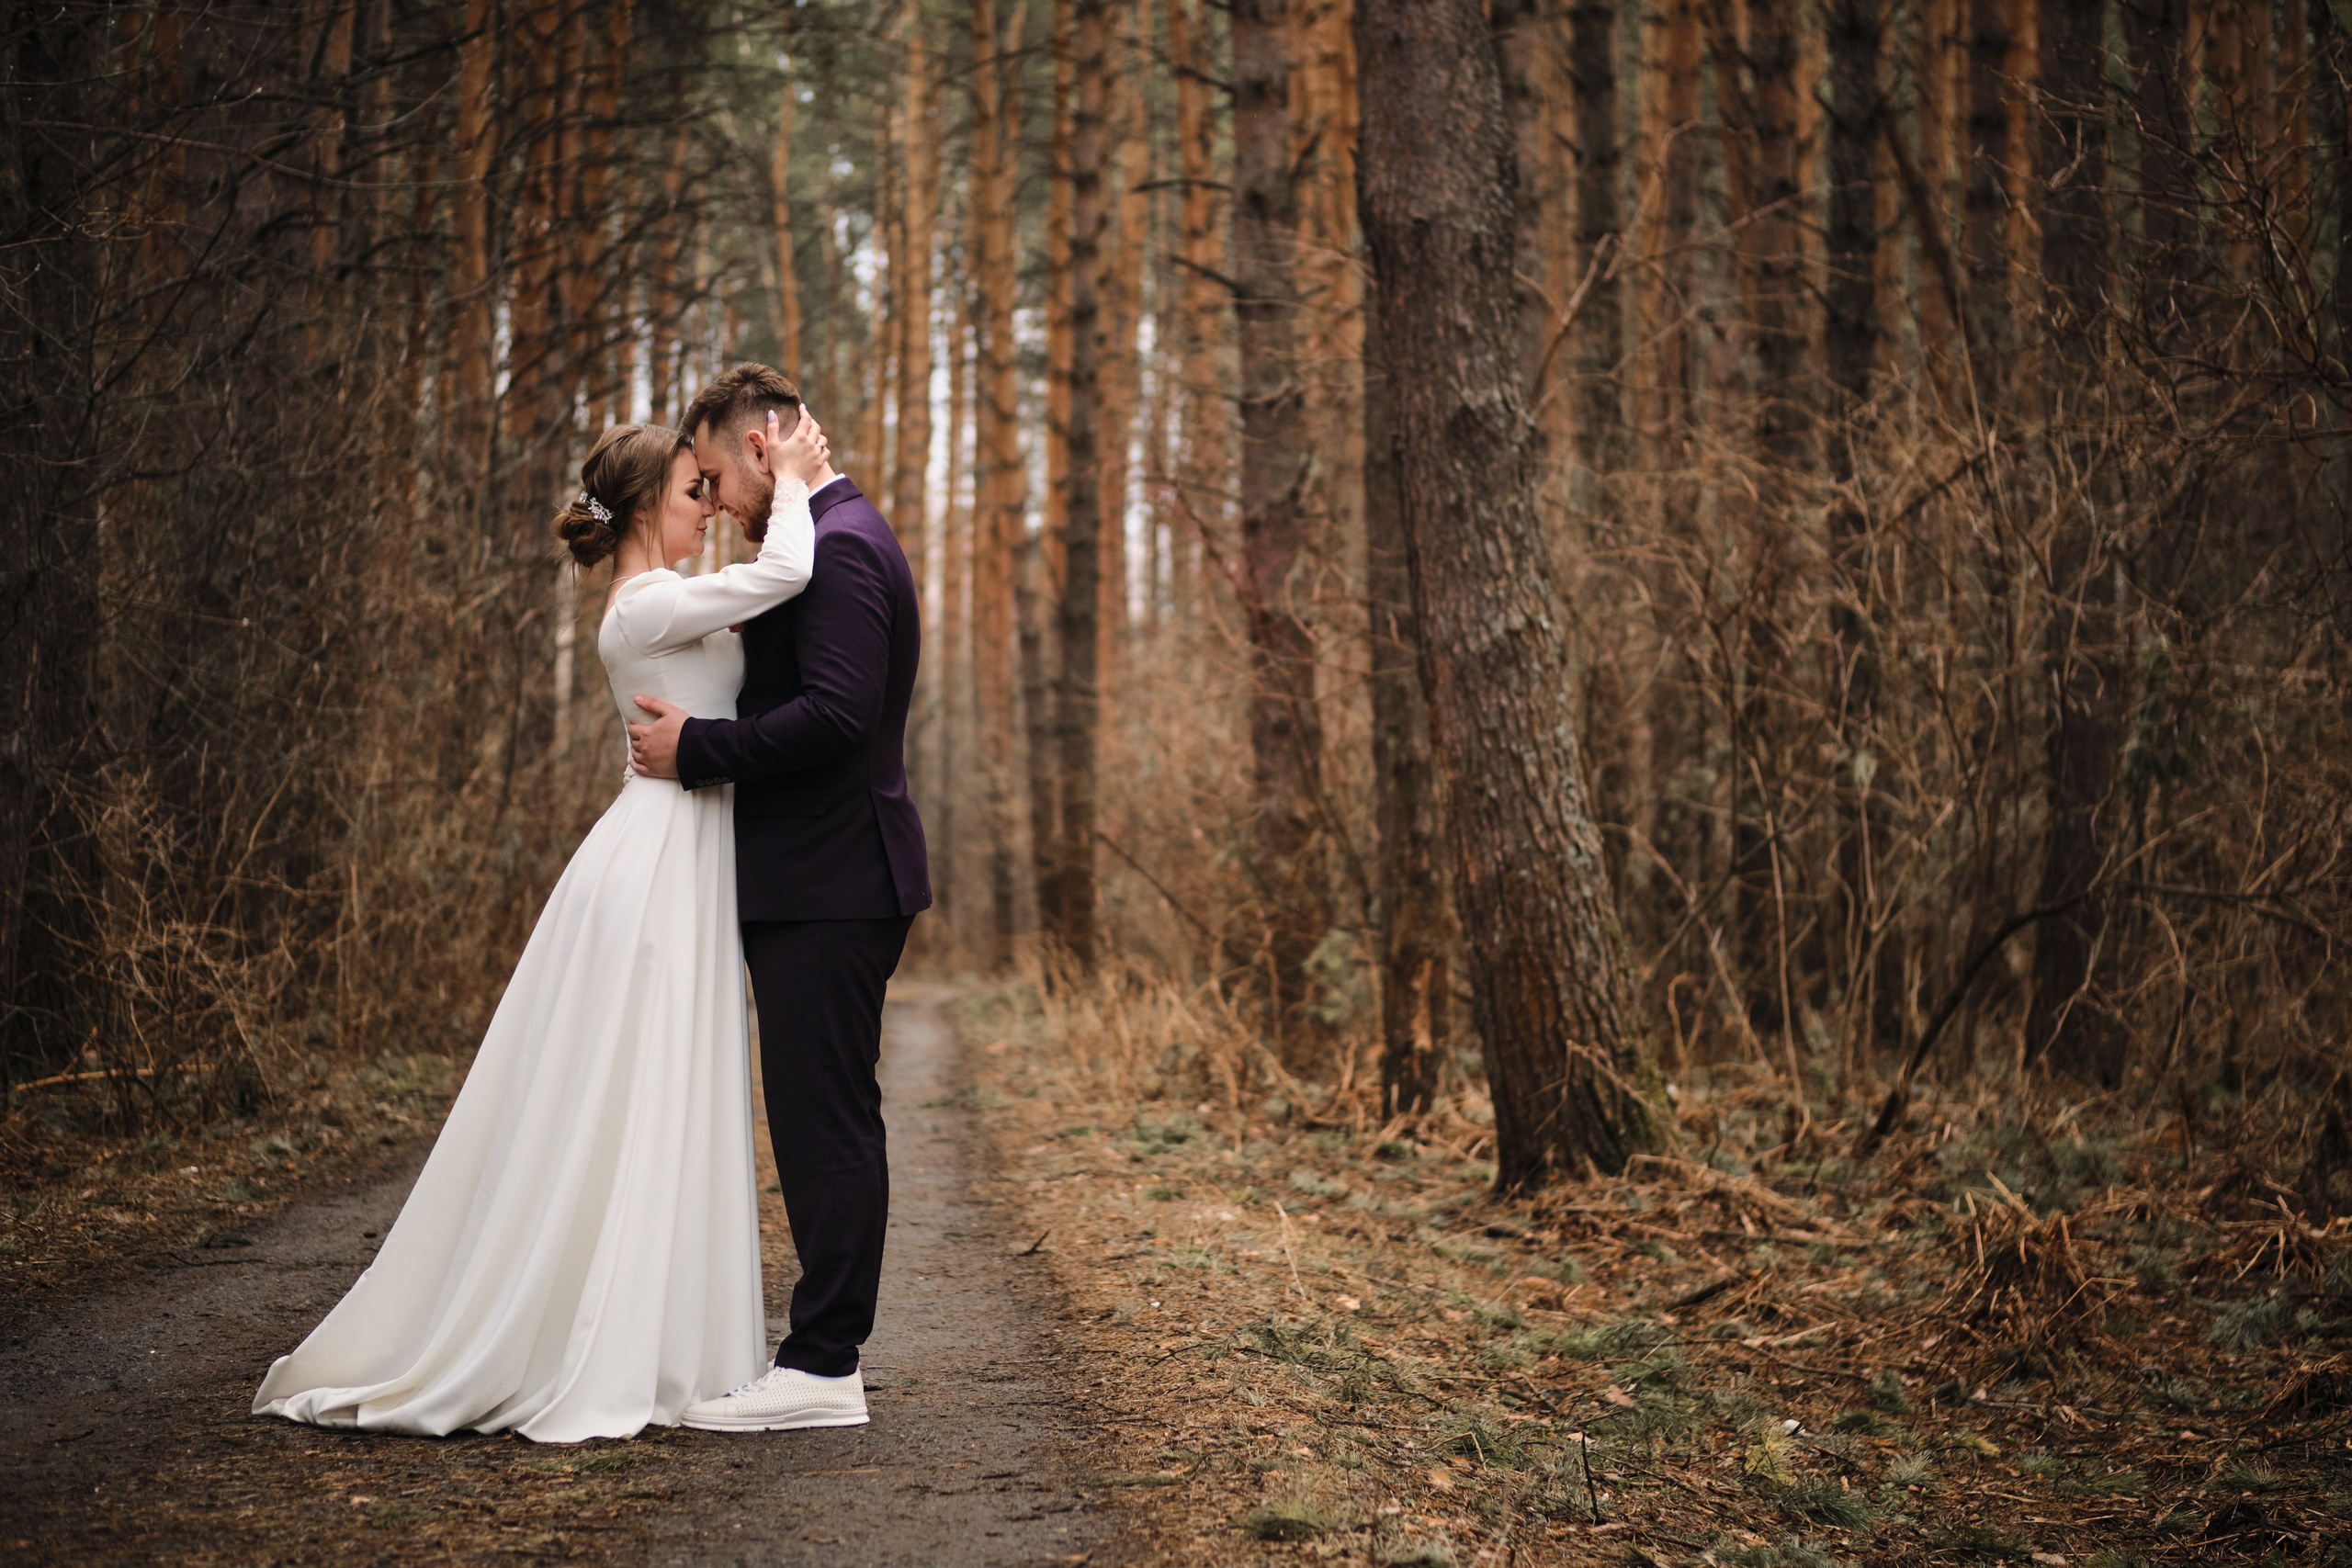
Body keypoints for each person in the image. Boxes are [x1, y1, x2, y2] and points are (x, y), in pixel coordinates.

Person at [252, 409, 831, 1443]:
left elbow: (752, 639)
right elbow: (787, 571)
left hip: (686, 849)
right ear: (652, 504)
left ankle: (667, 1337)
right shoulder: (645, 602)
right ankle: (598, 1338)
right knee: (636, 1089)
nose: (712, 507)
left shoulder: (672, 601)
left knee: (666, 1089)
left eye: (713, 489)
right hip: (656, 864)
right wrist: (790, 476)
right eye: (696, 491)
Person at [626, 362, 930, 1434]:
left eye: (712, 473)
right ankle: (817, 1356)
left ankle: (822, 1366)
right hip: (822, 877)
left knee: (824, 1120)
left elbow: (839, 715)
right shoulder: (831, 537)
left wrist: (694, 748)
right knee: (815, 1116)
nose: (713, 500)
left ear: (759, 447)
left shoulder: (841, 551)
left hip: (834, 880)